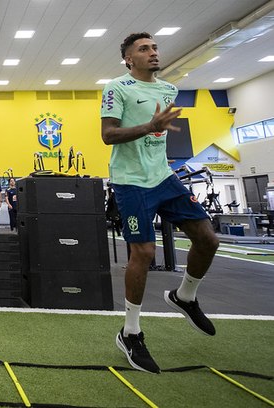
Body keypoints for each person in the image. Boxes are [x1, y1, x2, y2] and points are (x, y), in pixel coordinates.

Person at [100, 32, 220, 374]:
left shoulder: (168, 90)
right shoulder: (116, 88)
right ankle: (131, 332)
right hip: (130, 180)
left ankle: (185, 296)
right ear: (128, 59)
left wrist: (155, 128)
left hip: (163, 176)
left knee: (208, 238)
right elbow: (108, 135)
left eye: (154, 47)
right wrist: (149, 125)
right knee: (144, 253)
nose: (153, 52)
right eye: (143, 49)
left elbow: (157, 136)